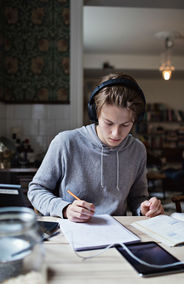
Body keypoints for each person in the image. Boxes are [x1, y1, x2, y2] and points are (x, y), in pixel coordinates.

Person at [28, 73, 164, 222]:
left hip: (118, 232)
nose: (116, 133)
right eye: (109, 123)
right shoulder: (66, 142)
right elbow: (36, 190)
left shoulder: (137, 150)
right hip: (72, 231)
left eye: (126, 125)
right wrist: (65, 209)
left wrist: (144, 207)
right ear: (95, 113)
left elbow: (137, 197)